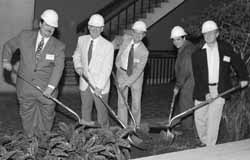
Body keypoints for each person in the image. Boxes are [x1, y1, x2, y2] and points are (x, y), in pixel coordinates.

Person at [2, 9, 65, 137]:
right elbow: (9, 46)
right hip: (25, 88)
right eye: (47, 25)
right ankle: (30, 140)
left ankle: (43, 142)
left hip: (47, 91)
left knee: (47, 118)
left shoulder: (59, 46)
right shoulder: (25, 36)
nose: (50, 29)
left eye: (53, 27)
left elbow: (59, 67)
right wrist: (6, 60)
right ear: (40, 24)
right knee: (27, 116)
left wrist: (51, 87)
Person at [192, 20, 248, 146]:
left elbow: (237, 62)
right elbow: (198, 76)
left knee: (213, 120)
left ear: (217, 34)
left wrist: (244, 77)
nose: (208, 36)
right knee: (199, 118)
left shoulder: (225, 49)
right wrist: (206, 93)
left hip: (220, 89)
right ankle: (205, 141)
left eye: (211, 33)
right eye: (205, 34)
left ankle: (210, 147)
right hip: (202, 89)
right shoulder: (197, 54)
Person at [72, 14, 114, 128]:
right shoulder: (81, 40)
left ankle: (105, 139)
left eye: (98, 27)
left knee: (102, 115)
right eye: (92, 26)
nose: (94, 30)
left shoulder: (108, 46)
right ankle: (86, 139)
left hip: (100, 86)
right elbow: (76, 55)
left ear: (102, 29)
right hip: (85, 83)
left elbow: (107, 68)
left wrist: (99, 87)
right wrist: (78, 66)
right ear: (88, 27)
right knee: (85, 111)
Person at [114, 20, 149, 127]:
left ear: (144, 35)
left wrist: (127, 82)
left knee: (136, 105)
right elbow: (112, 45)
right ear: (132, 32)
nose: (138, 35)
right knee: (122, 103)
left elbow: (138, 71)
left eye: (141, 33)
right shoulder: (125, 39)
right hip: (121, 73)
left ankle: (135, 126)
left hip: (136, 79)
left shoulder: (144, 52)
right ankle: (123, 126)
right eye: (136, 32)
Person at [171, 26, 196, 130]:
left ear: (184, 38)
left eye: (178, 39)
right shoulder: (185, 47)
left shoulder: (187, 51)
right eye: (174, 40)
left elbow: (185, 70)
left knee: (186, 105)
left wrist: (178, 86)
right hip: (188, 80)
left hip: (188, 82)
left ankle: (187, 129)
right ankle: (186, 125)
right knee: (186, 104)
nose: (175, 42)